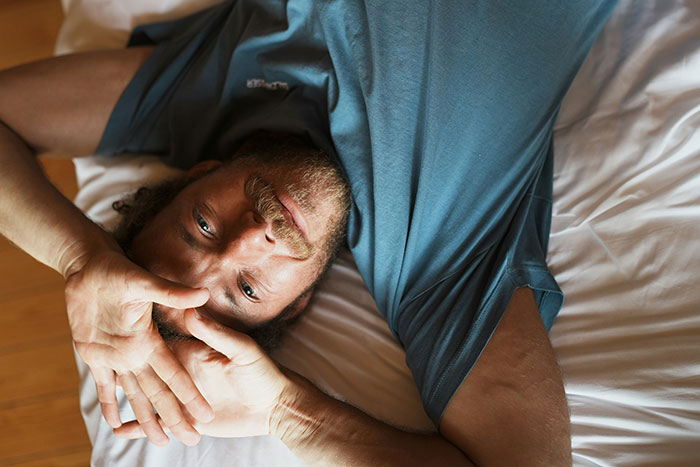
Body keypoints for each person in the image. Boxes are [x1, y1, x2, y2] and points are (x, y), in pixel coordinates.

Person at [0, 0, 619, 464]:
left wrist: (80, 258)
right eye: (247, 288)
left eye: (202, 225)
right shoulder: (431, 259)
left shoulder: (196, 95)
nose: (251, 237)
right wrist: (284, 410)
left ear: (198, 174)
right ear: (297, 305)